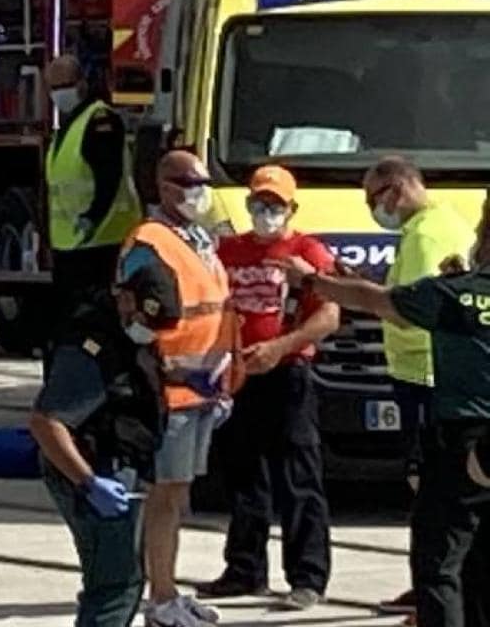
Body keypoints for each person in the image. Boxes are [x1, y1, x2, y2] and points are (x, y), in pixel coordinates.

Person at [292, 200, 489, 627]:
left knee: (440, 561)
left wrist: (314, 281)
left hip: (465, 436)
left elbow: (378, 302)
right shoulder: (456, 291)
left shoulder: (455, 294)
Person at [197, 165, 337, 609]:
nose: (266, 211)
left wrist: (281, 347)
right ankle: (244, 568)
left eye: (276, 204)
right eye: (259, 202)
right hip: (238, 375)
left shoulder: (306, 253)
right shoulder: (228, 250)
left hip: (288, 373)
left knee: (298, 476)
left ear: (291, 207)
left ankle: (307, 577)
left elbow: (329, 317)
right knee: (243, 476)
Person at [119, 149, 236, 627]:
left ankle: (167, 590)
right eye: (188, 181)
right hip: (172, 390)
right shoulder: (149, 241)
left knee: (178, 494)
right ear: (162, 186)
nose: (198, 190)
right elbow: (134, 317)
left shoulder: (199, 239)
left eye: (202, 181)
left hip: (204, 389)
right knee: (164, 495)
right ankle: (160, 598)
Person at [367, 156, 477, 619]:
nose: (374, 209)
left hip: (423, 374)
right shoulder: (443, 222)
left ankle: (439, 590)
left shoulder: (426, 234)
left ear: (397, 189)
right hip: (430, 372)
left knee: (431, 488)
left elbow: (417, 307)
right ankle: (434, 586)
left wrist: (365, 298)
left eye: (375, 198)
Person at [28, 277, 167, 627]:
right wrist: (89, 483)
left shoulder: (123, 340)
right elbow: (46, 423)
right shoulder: (90, 348)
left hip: (118, 467)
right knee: (114, 588)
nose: (147, 331)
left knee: (121, 582)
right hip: (95, 472)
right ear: (125, 300)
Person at [45, 55, 141, 305]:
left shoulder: (100, 120)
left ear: (81, 83)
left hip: (102, 238)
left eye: (64, 85)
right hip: (70, 243)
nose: (58, 93)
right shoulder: (68, 126)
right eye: (53, 88)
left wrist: (92, 218)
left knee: (96, 317)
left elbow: (108, 178)